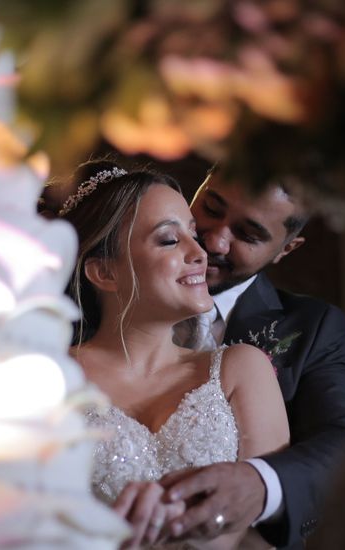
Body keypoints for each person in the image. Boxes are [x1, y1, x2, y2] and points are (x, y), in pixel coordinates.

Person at [58, 160, 289, 549]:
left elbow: (265, 532)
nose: (201, 252)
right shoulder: (45, 380)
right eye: (169, 239)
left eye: (193, 234)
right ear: (104, 273)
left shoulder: (240, 370)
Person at [161, 167, 345, 549]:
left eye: (248, 234)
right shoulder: (107, 298)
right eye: (211, 207)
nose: (215, 240)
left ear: (286, 248)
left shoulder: (313, 327)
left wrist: (260, 484)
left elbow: (343, 443)